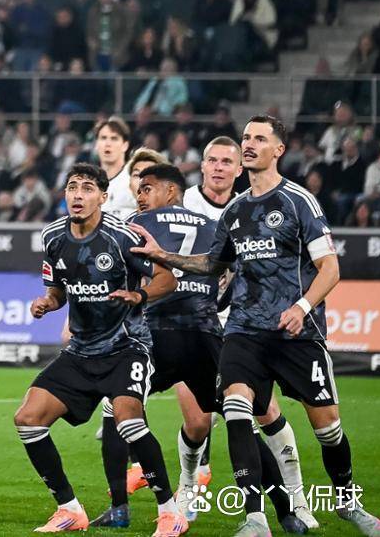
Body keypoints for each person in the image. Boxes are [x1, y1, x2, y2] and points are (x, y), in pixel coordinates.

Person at [130, 116, 380, 537]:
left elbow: (330, 268)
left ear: (278, 150)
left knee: (328, 429)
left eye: (259, 138)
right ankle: (255, 517)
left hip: (296, 332)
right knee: (235, 408)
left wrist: (302, 306)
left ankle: (347, 502)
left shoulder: (299, 201)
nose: (250, 143)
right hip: (244, 331)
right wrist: (164, 256)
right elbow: (212, 265)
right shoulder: (236, 210)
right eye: (246, 137)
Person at [95, 164, 306, 533]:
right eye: (139, 190)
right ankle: (286, 512)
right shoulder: (214, 226)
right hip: (206, 337)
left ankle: (119, 509)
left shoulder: (136, 225)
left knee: (117, 406)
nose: (140, 196)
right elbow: (234, 277)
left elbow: (120, 274)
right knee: (240, 418)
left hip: (157, 335)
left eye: (147, 188)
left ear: (171, 192)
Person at [15, 163, 188, 535]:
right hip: (81, 351)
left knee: (128, 421)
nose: (78, 195)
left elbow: (167, 278)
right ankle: (69, 509)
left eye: (87, 188)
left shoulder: (121, 237)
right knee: (28, 419)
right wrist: (48, 302)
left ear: (103, 197)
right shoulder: (52, 236)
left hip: (127, 347)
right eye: (72, 187)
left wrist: (139, 295)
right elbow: (58, 290)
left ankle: (171, 513)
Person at [181, 136, 316, 526]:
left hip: (242, 324)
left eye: (227, 161)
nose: (218, 167)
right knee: (198, 422)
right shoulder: (184, 206)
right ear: (202, 165)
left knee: (265, 411)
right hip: (196, 325)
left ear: (239, 169)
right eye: (212, 160)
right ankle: (188, 490)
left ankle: (295, 502)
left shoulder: (250, 207)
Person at [95, 116, 135, 219]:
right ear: (96, 145)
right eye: (103, 138)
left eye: (114, 138)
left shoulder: (134, 178)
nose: (108, 144)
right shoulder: (89, 183)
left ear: (125, 145)